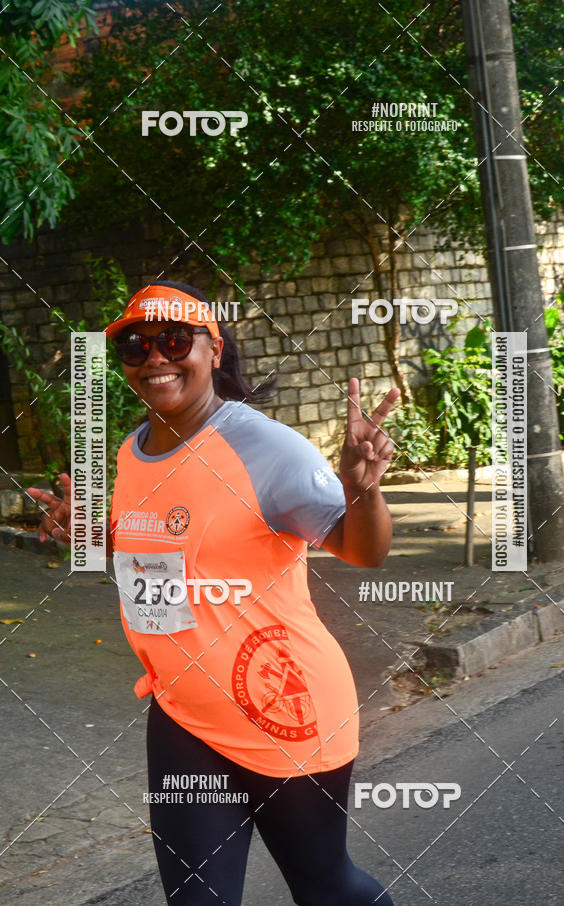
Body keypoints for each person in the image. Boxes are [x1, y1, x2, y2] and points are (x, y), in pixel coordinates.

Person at [29, 280, 399, 906]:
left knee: (325, 887)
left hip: (285, 708)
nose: (155, 357)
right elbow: (161, 567)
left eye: (174, 340)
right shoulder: (130, 451)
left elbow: (366, 552)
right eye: (136, 345)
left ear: (213, 350)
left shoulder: (267, 449)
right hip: (184, 714)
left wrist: (362, 488)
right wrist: (91, 534)